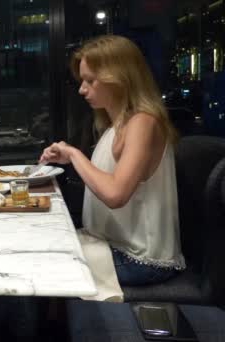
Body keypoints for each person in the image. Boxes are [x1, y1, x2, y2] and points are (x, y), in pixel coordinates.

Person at [39, 35, 185, 286]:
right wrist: (67, 158)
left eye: (90, 81)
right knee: (41, 248)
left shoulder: (143, 122)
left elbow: (115, 194)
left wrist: (74, 154)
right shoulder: (113, 126)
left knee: (41, 265)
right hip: (111, 246)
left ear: (119, 78)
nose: (81, 89)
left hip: (142, 261)